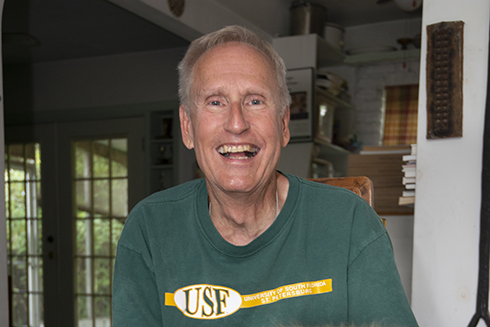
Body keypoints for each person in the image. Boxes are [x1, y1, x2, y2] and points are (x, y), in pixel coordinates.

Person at [112, 25, 419, 327]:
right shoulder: (149, 230)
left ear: (284, 123)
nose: (236, 123)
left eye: (255, 101)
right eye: (215, 102)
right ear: (187, 126)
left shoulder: (350, 222)